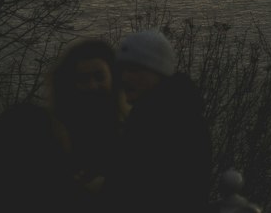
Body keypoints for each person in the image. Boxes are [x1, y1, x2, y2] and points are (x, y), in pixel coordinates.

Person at [104, 28, 212, 213]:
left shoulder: (171, 124)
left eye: (135, 70)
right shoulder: (165, 113)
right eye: (121, 70)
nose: (125, 77)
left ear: (159, 73)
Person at [47, 36, 124, 193]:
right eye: (83, 79)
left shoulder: (132, 125)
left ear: (114, 77)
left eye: (99, 77)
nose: (93, 86)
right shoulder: (55, 131)